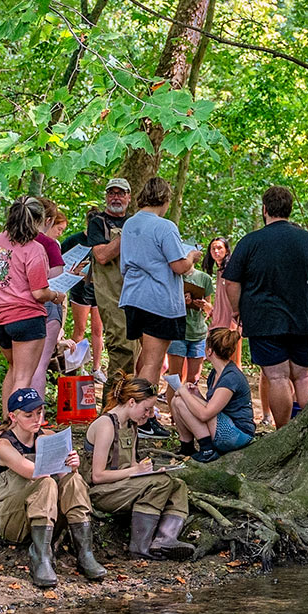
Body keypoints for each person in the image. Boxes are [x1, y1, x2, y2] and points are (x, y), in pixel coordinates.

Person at [222, 186, 308, 428]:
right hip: (302, 318)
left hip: (264, 320)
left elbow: (231, 281)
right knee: (304, 375)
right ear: (289, 210)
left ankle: (283, 431)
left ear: (265, 209)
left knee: (277, 376)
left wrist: (237, 310)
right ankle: (306, 432)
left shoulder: (251, 242)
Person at [0, 386, 104, 587]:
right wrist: (53, 458)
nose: (37, 419)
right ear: (13, 416)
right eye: (29, 415)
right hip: (10, 517)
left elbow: (65, 477)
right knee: (45, 481)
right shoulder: (4, 444)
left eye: (39, 413)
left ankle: (85, 553)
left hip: (46, 515)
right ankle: (41, 557)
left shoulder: (46, 435)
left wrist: (72, 464)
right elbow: (33, 471)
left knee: (73, 480)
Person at [85, 377, 195, 559]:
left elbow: (132, 464)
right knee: (160, 483)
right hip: (102, 492)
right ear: (131, 402)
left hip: (122, 486)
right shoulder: (106, 425)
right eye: (146, 409)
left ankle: (165, 539)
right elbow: (97, 476)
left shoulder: (131, 424)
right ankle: (140, 547)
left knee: (178, 485)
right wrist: (136, 472)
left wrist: (147, 471)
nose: (149, 414)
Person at [117, 177, 193, 434]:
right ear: (165, 199)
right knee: (153, 360)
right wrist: (191, 256)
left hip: (133, 297)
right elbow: (179, 265)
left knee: (143, 357)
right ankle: (143, 418)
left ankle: (135, 411)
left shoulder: (129, 224)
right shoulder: (165, 226)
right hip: (158, 299)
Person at [0, 197, 65, 413]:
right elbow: (39, 292)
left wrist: (1, 301)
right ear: (38, 221)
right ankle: (15, 430)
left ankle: (6, 422)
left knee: (13, 369)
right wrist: (55, 296)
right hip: (26, 318)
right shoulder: (34, 248)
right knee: (23, 377)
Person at [63, 177, 134, 388]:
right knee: (120, 347)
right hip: (106, 293)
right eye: (111, 193)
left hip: (135, 293)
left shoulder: (135, 221)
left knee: (137, 349)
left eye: (120, 193)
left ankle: (133, 403)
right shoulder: (98, 223)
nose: (116, 197)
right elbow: (102, 256)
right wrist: (126, 236)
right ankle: (112, 406)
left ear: (129, 197)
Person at [169, 326, 255, 462]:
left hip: (238, 432)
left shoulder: (230, 378)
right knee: (176, 400)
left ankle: (207, 449)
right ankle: (186, 447)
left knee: (180, 400)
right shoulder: (215, 373)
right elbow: (213, 406)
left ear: (209, 351)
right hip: (224, 422)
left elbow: (205, 414)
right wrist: (196, 395)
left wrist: (184, 393)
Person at [29, 197, 70, 397]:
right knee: (40, 365)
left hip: (13, 307)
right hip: (45, 304)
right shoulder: (49, 244)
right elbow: (57, 281)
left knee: (18, 368)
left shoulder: (7, 239)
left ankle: (14, 417)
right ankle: (37, 418)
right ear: (47, 221)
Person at [168, 247, 215, 393]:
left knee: (193, 379)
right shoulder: (173, 276)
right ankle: (174, 413)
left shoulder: (204, 278)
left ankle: (189, 413)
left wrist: (203, 305)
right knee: (175, 378)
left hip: (198, 332)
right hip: (177, 332)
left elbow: (209, 308)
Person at [206, 236, 236, 330]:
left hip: (231, 324)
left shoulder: (232, 270)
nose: (216, 251)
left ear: (226, 250)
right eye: (213, 249)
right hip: (217, 322)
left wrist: (234, 322)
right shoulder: (219, 271)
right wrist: (213, 310)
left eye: (219, 248)